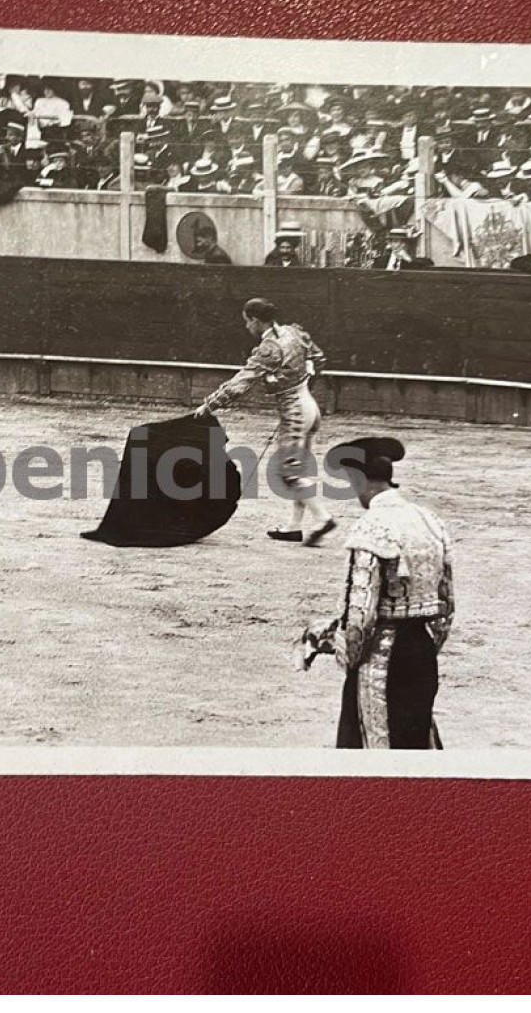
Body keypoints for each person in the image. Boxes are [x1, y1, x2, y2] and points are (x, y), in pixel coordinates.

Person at [297, 437, 454, 749]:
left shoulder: (370, 527)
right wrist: (425, 648)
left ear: (358, 478)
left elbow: (360, 617)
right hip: (421, 652)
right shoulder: (430, 521)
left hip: (381, 657)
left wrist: (339, 647)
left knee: (373, 752)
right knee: (415, 741)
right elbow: (446, 605)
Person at [192, 298, 336, 546]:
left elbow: (241, 383)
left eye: (247, 322)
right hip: (309, 406)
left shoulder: (269, 349)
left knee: (288, 471)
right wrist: (302, 379)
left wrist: (209, 404)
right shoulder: (295, 332)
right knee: (297, 469)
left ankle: (322, 518)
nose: (247, 327)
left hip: (295, 412)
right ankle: (293, 526)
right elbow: (319, 359)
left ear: (255, 320)